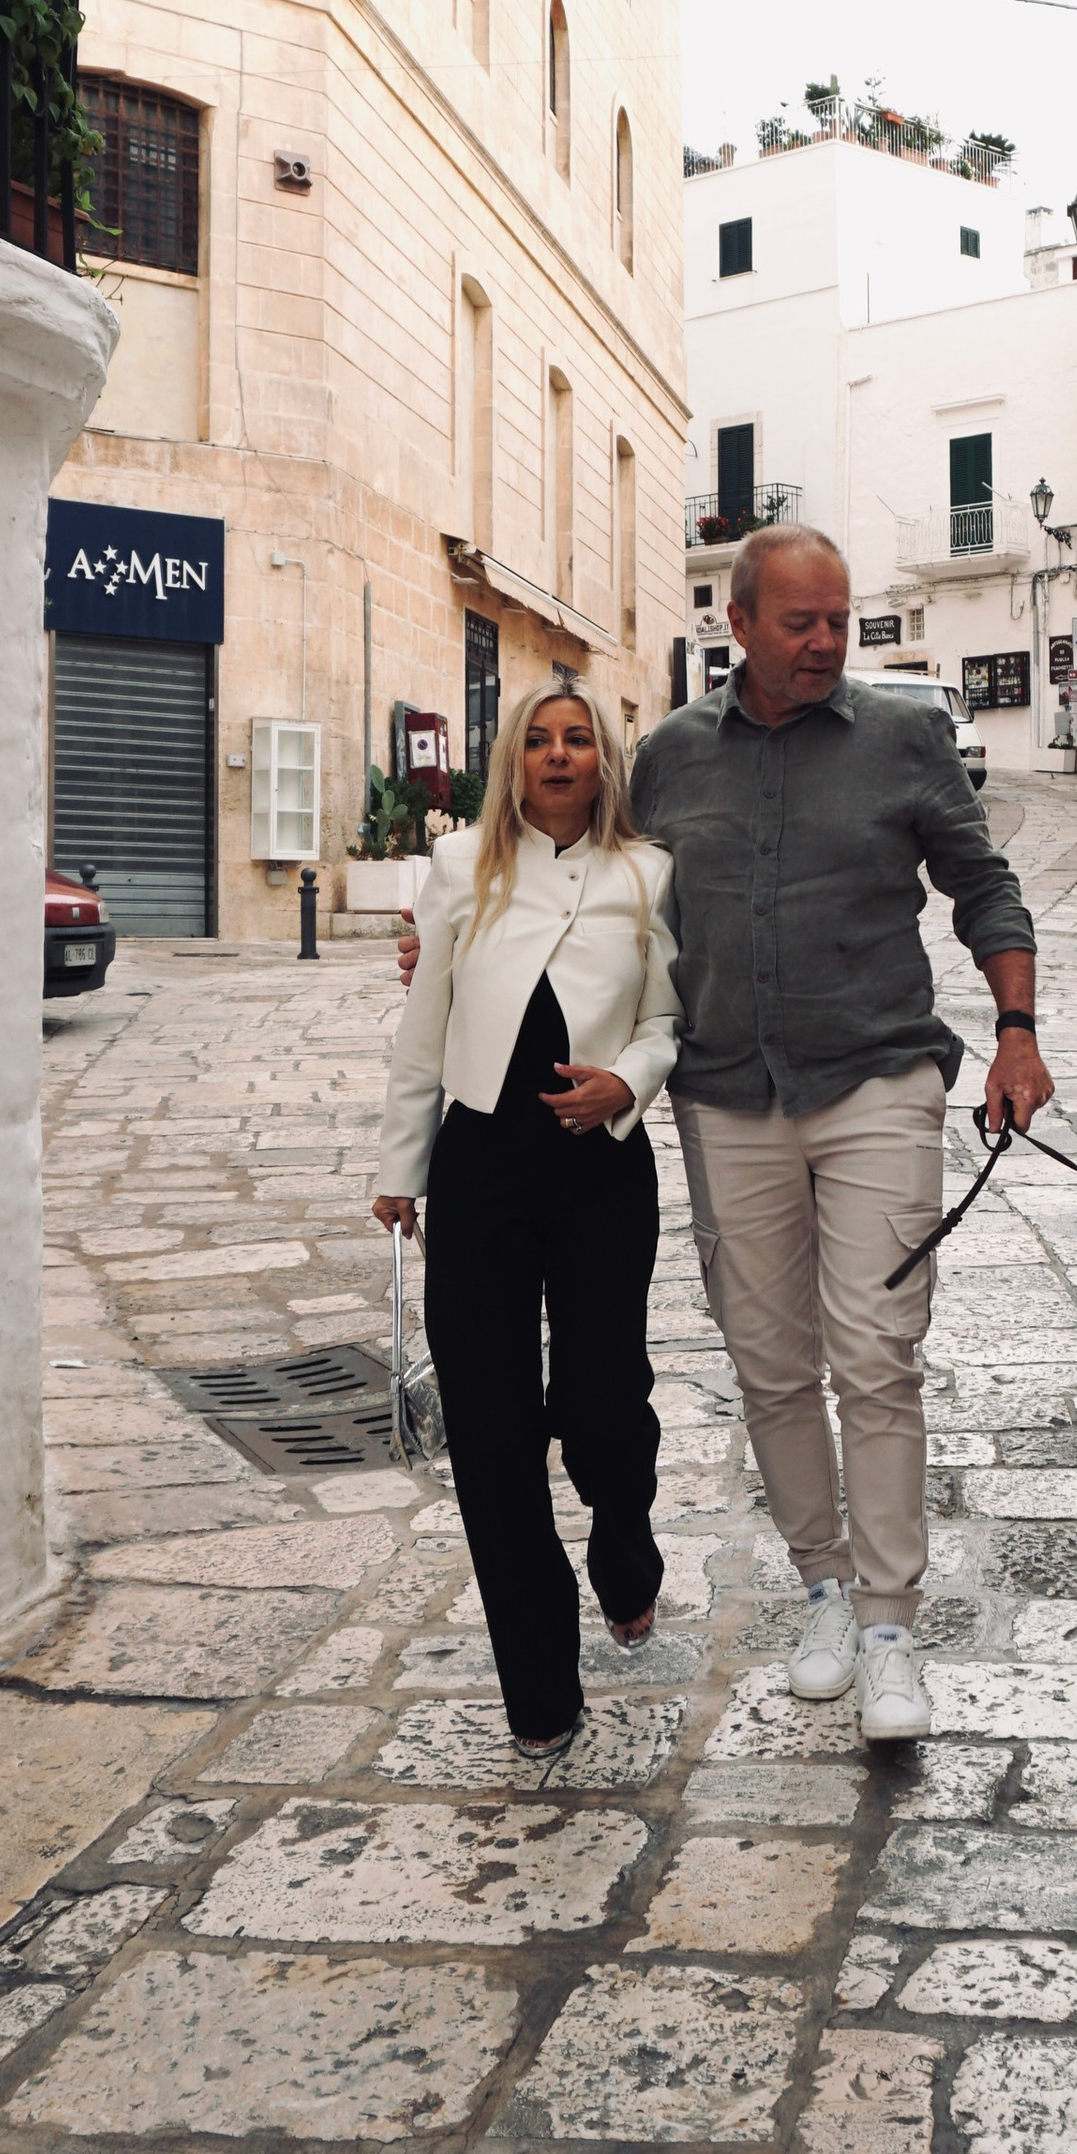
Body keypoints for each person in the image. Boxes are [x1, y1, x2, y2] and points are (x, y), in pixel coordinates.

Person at [631, 525, 1050, 1745]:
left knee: (875, 1354)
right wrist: (452, 935)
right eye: (799, 622)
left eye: (838, 621)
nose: (823, 643)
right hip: (724, 1091)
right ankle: (819, 1587)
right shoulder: (664, 759)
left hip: (875, 1079)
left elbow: (986, 886)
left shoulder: (905, 739)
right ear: (740, 625)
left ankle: (886, 1625)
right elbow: (598, 897)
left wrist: (1015, 1030)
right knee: (768, 1363)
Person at [371, 685, 678, 1757]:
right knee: (492, 1436)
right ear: (513, 760)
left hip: (600, 1167)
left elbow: (667, 1017)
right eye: (538, 741)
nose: (557, 755)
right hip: (481, 1168)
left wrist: (625, 1084)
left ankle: (625, 1550)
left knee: (601, 1403)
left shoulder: (648, 872)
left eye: (577, 738)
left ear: (604, 759)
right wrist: (399, 1169)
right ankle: (539, 1689)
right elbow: (426, 1025)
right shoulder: (460, 867)